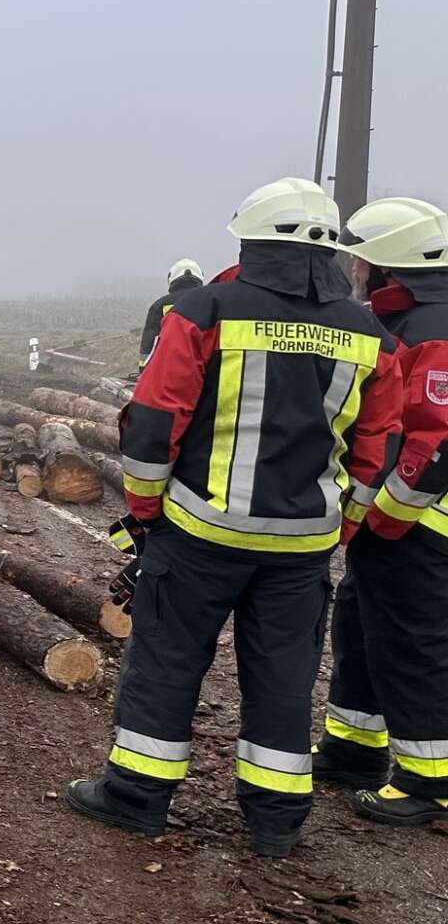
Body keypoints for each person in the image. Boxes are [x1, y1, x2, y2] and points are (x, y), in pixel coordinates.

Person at [65, 177, 403, 857]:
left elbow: (154, 422)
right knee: (283, 676)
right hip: (303, 546)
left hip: (197, 534)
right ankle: (276, 820)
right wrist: (338, 526)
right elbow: (379, 445)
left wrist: (146, 513)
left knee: (166, 661)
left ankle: (136, 798)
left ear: (249, 241)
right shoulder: (370, 332)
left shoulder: (205, 309)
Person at [313, 197, 448, 826]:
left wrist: (386, 514)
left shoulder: (434, 329)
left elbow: (436, 442)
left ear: (394, 268)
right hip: (393, 522)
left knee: (412, 644)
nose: (355, 272)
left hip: (421, 524)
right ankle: (353, 748)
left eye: (363, 261)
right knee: (362, 625)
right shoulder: (407, 322)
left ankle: (430, 780)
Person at [139, 258, 205, 370]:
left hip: (169, 373)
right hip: (205, 372)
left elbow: (149, 345)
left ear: (172, 279)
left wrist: (143, 372)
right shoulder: (211, 302)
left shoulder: (160, 306)